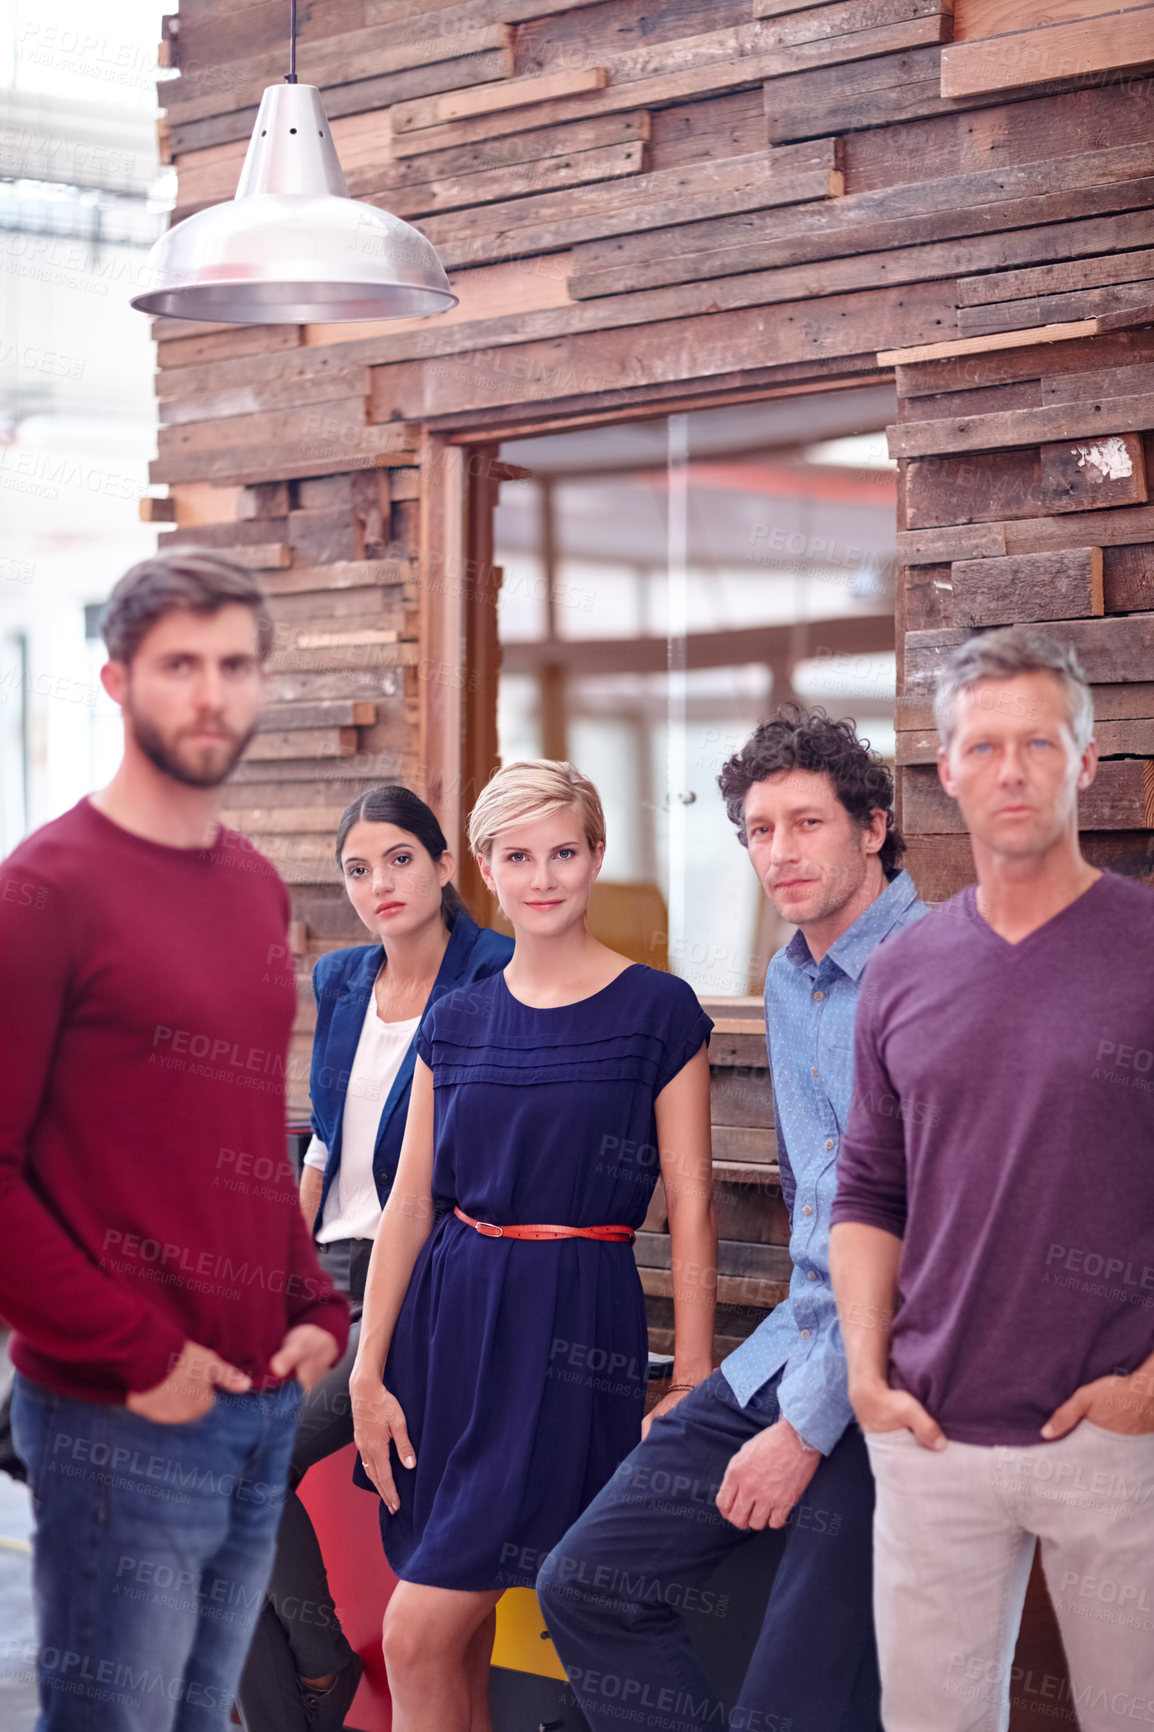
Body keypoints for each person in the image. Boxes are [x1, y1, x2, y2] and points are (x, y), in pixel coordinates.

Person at [0, 551, 348, 1732]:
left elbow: (243, 1128)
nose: (211, 695)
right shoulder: (44, 890)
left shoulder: (252, 885)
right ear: (116, 681)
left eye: (235, 665)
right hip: (119, 1417)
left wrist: (309, 1299)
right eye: (179, 666)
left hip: (253, 1404)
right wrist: (140, 1353)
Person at [539, 708, 927, 1732]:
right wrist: (711, 1382)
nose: (778, 852)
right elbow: (819, 1211)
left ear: (872, 825)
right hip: (789, 1344)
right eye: (758, 830)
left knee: (793, 1710)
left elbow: (923, 1238)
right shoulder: (787, 979)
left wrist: (804, 1425)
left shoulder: (933, 975)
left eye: (805, 823)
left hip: (895, 1376)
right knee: (583, 1583)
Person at [830, 626, 1154, 1732]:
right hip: (929, 1432)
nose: (1008, 770)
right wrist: (865, 1373)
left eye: (1036, 743)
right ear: (943, 770)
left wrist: (1149, 1385)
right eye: (982, 746)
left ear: (1085, 761)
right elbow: (867, 1189)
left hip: (1116, 1432)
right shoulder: (902, 969)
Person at [348, 759, 716, 1732]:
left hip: (568, 1333)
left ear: (596, 857)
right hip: (447, 1333)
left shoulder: (657, 1012)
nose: (542, 874)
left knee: (415, 1634)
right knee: (454, 1641)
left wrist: (687, 1376)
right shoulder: (456, 1020)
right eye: (519, 855)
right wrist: (366, 1370)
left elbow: (691, 1203)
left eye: (563, 851)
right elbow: (409, 1207)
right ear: (484, 866)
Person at [237, 785, 512, 1732]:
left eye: (400, 859)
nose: (379, 884)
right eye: (358, 869)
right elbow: (323, 1145)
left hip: (421, 1280)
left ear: (444, 866)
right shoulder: (344, 980)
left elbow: (464, 1170)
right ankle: (300, 1697)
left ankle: (317, 1669)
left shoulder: (498, 978)